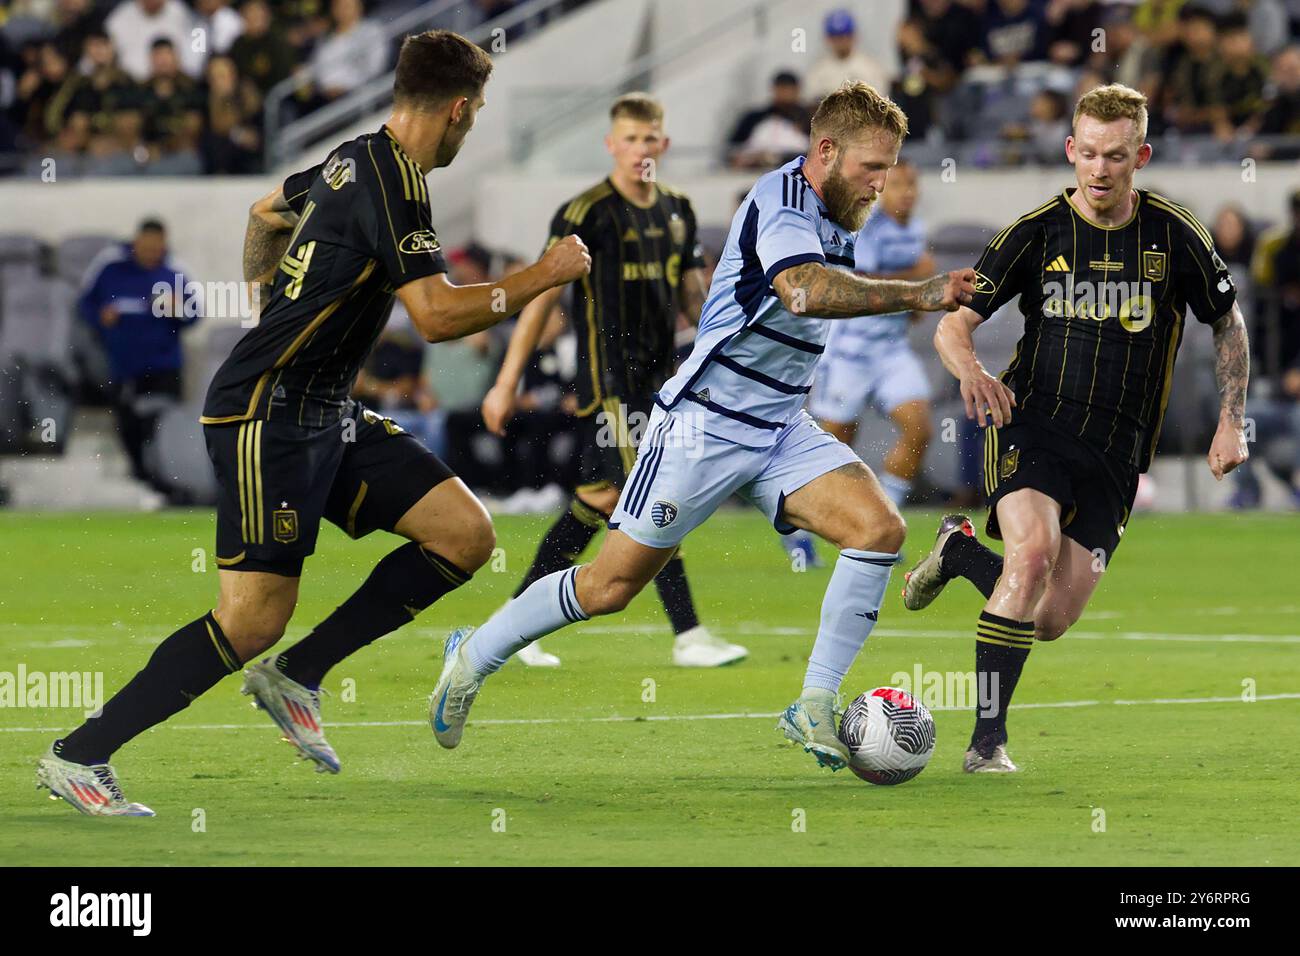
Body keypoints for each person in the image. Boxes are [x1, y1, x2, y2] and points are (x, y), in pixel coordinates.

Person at [36, 29, 591, 817]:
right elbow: (433, 318)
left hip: (325, 408)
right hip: (267, 411)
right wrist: (544, 274)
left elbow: (264, 211)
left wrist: (269, 297)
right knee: (253, 617)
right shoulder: (393, 183)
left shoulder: (352, 156)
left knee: (464, 535)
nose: (472, 126)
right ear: (460, 110)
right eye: (477, 113)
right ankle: (80, 754)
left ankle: (299, 675)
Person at [430, 82, 976, 773]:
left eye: (891, 168)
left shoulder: (840, 210)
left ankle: (812, 702)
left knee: (879, 529)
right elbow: (801, 291)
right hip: (704, 425)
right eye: (873, 167)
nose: (883, 182)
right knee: (609, 587)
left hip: (779, 424)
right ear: (827, 151)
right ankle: (473, 656)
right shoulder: (783, 204)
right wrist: (916, 292)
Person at [901, 83, 1250, 772]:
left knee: (1051, 619)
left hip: (1117, 455)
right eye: (1087, 153)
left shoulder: (1175, 236)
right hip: (1034, 424)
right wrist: (970, 370)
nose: (1098, 168)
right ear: (1069, 150)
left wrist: (1231, 421)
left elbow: (1227, 321)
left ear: (1140, 155)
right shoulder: (1035, 233)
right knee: (1030, 556)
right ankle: (986, 746)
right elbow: (953, 323)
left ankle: (962, 553)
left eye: (1115, 156)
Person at [481, 93, 744, 669]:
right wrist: (504, 382)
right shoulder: (585, 214)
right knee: (651, 495)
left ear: (664, 144)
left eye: (650, 139)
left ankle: (514, 623)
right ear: (611, 145)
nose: (640, 150)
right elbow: (539, 296)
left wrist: (724, 355)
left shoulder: (678, 210)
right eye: (629, 139)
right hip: (607, 386)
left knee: (599, 498)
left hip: (659, 385)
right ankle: (688, 634)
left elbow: (695, 301)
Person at [808, 159, 934, 510]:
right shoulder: (867, 227)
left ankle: (888, 514)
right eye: (897, 185)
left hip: (892, 352)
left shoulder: (915, 229)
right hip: (850, 352)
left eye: (911, 185)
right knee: (835, 446)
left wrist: (911, 309)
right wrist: (917, 279)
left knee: (920, 429)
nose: (906, 193)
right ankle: (799, 523)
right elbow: (857, 286)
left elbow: (903, 298)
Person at [77, 218, 200, 504]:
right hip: (124, 366)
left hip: (164, 367)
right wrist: (100, 317)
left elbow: (195, 314)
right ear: (136, 243)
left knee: (162, 427)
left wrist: (177, 308)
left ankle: (168, 485)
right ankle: (142, 480)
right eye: (146, 247)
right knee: (128, 424)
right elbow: (85, 305)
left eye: (156, 248)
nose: (151, 253)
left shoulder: (175, 272)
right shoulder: (110, 269)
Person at [804, 9, 890, 102]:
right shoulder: (818, 70)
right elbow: (810, 101)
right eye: (835, 37)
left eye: (843, 36)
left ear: (853, 36)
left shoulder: (870, 68)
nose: (840, 41)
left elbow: (880, 102)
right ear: (828, 39)